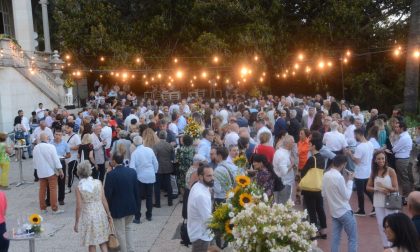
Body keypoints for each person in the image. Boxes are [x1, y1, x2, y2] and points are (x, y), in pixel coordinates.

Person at [104, 153, 139, 252]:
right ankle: (131, 249)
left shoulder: (111, 175)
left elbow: (107, 194)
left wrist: (107, 211)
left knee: (120, 233)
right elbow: (136, 191)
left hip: (117, 209)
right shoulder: (132, 172)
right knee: (128, 229)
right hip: (131, 206)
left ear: (114, 161)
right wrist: (137, 206)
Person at [322, 155, 357, 252]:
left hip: (334, 212)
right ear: (344, 164)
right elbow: (347, 196)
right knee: (352, 239)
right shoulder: (339, 177)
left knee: (335, 239)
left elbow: (323, 194)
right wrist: (350, 181)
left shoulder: (326, 175)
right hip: (344, 211)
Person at [74, 161, 111, 252]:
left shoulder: (79, 187)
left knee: (91, 243)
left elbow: (79, 206)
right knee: (102, 241)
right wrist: (108, 214)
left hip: (88, 215)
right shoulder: (98, 182)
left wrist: (76, 222)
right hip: (100, 213)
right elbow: (104, 200)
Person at [366, 150, 399, 248]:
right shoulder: (374, 172)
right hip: (378, 200)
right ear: (375, 160)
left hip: (391, 199)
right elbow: (368, 187)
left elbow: (396, 188)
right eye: (379, 159)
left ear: (385, 159)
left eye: (383, 158)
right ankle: (386, 245)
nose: (381, 160)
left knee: (392, 224)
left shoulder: (391, 170)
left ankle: (393, 245)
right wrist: (377, 189)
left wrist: (386, 188)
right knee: (381, 224)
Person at [300, 133, 327, 239]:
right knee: (320, 209)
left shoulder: (312, 159)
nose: (308, 145)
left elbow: (303, 172)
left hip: (309, 188)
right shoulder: (322, 158)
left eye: (310, 144)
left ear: (314, 146)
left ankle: (314, 231)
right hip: (318, 186)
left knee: (311, 210)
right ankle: (324, 231)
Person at [33, 133, 64, 214]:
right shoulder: (51, 147)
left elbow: (34, 161)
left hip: (41, 172)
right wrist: (60, 170)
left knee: (42, 190)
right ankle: (54, 209)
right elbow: (56, 160)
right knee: (53, 189)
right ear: (47, 138)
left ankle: (43, 208)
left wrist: (37, 170)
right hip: (50, 172)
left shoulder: (36, 148)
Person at [345, 128, 374, 216]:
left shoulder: (360, 146)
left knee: (360, 191)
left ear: (360, 134)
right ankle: (375, 206)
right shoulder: (370, 144)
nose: (354, 137)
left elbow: (356, 161)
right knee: (366, 190)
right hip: (368, 170)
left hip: (360, 172)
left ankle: (361, 210)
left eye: (355, 135)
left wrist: (350, 154)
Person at [129, 136, 158, 223]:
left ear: (134, 144)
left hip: (140, 177)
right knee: (149, 196)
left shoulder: (134, 153)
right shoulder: (149, 150)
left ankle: (137, 217)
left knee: (138, 198)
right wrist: (154, 171)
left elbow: (132, 167)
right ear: (142, 142)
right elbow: (155, 162)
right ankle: (149, 215)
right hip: (150, 175)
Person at [187, 164, 214, 252]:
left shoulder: (198, 185)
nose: (212, 178)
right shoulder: (201, 195)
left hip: (201, 232)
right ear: (201, 177)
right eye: (209, 176)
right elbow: (208, 219)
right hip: (201, 236)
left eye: (213, 175)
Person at [391, 121, 413, 202]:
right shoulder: (402, 136)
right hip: (401, 159)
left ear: (402, 128)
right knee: (402, 178)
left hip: (402, 160)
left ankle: (406, 197)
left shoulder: (404, 138)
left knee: (404, 179)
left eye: (397, 127)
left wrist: (392, 140)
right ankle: (405, 196)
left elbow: (394, 149)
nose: (395, 129)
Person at [153, 131, 175, 207]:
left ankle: (158, 203)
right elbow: (173, 157)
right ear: (165, 137)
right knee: (169, 184)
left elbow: (154, 157)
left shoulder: (156, 146)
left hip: (158, 167)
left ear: (159, 136)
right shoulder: (169, 145)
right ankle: (170, 202)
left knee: (157, 186)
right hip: (168, 166)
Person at [49, 130, 71, 206]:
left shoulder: (65, 144)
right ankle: (49, 199)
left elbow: (69, 155)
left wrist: (65, 156)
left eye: (59, 134)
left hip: (61, 162)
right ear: (54, 135)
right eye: (56, 134)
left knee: (61, 181)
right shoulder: (50, 143)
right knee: (51, 182)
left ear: (62, 136)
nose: (57, 136)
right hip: (52, 163)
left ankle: (61, 199)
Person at [272, 135, 295, 204]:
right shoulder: (283, 155)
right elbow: (284, 172)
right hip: (284, 183)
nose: (294, 144)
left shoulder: (280, 151)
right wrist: (292, 164)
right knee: (284, 205)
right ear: (288, 144)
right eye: (293, 142)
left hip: (282, 182)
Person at [65, 122, 81, 193]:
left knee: (70, 172)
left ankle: (69, 188)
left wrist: (69, 147)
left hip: (74, 158)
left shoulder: (76, 136)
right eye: (65, 127)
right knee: (75, 172)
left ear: (71, 128)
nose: (66, 129)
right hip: (68, 158)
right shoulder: (66, 136)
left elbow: (78, 146)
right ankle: (84, 181)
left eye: (67, 127)